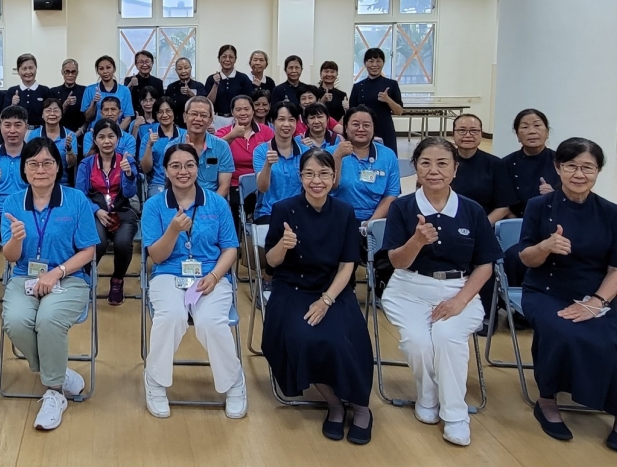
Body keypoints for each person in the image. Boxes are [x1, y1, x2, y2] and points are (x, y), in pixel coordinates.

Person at [517, 137, 617, 452]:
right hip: (545, 289)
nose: (579, 174)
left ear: (598, 171)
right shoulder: (539, 206)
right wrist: (545, 246)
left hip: (595, 294)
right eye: (571, 166)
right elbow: (526, 258)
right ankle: (547, 400)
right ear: (558, 168)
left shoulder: (613, 213)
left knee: (610, 338)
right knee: (560, 330)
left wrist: (595, 303)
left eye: (588, 167)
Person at [380, 136, 498, 447]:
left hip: (460, 289)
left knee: (446, 337)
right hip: (409, 289)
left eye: (442, 163)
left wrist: (459, 301)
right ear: (415, 168)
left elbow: (485, 265)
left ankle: (456, 415)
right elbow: (397, 262)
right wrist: (417, 241)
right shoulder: (402, 207)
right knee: (418, 342)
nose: (434, 170)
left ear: (455, 169)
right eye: (426, 163)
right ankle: (428, 395)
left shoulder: (472, 210)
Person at [263, 150, 374, 444]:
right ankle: (334, 404)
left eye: (324, 174)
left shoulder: (344, 212)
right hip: (292, 288)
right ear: (300, 177)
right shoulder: (283, 209)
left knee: (344, 340)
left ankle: (361, 407)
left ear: (334, 177)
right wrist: (283, 245)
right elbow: (271, 263)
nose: (317, 180)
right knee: (303, 338)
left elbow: (348, 264)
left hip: (332, 288)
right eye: (309, 174)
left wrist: (326, 300)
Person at [141, 142, 247, 418]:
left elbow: (230, 249)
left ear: (198, 168)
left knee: (211, 321)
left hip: (210, 274)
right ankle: (155, 381)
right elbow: (156, 256)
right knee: (171, 317)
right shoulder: (154, 206)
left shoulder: (217, 203)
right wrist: (173, 230)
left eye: (189, 165)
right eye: (175, 166)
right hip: (168, 274)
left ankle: (234, 382)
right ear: (166, 170)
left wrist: (214, 276)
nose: (183, 171)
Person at [1, 138, 100, 431]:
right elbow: (10, 257)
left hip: (69, 277)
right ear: (24, 169)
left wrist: (56, 273)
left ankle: (54, 392)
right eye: (33, 164)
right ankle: (56, 370)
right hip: (24, 276)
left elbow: (89, 251)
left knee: (48, 319)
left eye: (47, 163)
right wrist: (15, 239)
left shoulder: (76, 200)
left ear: (58, 167)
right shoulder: (12, 202)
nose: (40, 170)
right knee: (16, 320)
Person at [77, 118, 139, 306]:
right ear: (95, 140)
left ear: (118, 139)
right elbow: (80, 195)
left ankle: (117, 280)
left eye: (111, 136)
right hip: (95, 213)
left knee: (123, 243)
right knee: (98, 243)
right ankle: (85, 277)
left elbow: (130, 193)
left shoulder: (126, 161)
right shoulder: (86, 164)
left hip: (122, 211)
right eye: (102, 137)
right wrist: (96, 211)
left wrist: (128, 174)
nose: (107, 141)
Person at [330, 107, 399, 225]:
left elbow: (391, 194)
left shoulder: (388, 155)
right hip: (337, 219)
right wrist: (337, 157)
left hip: (375, 219)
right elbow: (328, 187)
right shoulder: (330, 153)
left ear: (373, 128)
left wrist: (371, 223)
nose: (361, 129)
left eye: (366, 125)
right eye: (355, 124)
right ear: (345, 127)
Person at [449, 113, 515, 223]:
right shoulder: (444, 162)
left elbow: (503, 207)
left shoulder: (496, 164)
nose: (468, 135)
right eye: (462, 130)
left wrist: (482, 226)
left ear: (481, 134)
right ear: (453, 134)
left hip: (484, 223)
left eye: (474, 131)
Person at [253, 101, 308, 219]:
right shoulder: (261, 150)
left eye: (291, 120)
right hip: (269, 212)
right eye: (281, 119)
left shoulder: (306, 152)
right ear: (273, 121)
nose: (286, 124)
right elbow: (262, 188)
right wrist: (268, 165)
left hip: (300, 212)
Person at [504, 108, 560, 216]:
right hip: (514, 221)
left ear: (547, 133)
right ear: (517, 135)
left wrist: (554, 195)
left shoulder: (562, 162)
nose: (532, 131)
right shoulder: (506, 164)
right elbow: (501, 202)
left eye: (537, 125)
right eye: (525, 127)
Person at [348, 49, 403, 152]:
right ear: (365, 63)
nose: (374, 65)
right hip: (363, 131)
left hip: (385, 130)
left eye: (378, 61)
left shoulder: (392, 84)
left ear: (383, 63)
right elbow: (351, 113)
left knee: (387, 157)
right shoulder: (358, 87)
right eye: (371, 61)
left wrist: (387, 99)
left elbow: (399, 111)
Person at [181, 96, 235, 199]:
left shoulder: (222, 146)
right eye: (194, 114)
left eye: (203, 115)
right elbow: (171, 183)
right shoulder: (173, 147)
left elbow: (224, 186)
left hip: (213, 200)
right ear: (185, 117)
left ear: (210, 121)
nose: (198, 119)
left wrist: (210, 205)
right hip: (181, 201)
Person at [217, 94, 273, 181]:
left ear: (253, 111)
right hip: (233, 182)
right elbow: (214, 150)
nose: (243, 113)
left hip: (262, 181)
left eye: (247, 109)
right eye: (238, 110)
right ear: (232, 112)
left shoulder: (266, 131)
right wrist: (232, 135)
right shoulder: (223, 132)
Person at [26, 94, 77, 185]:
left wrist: (69, 149)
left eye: (56, 110)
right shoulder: (34, 134)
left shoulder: (70, 135)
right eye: (48, 110)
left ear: (61, 114)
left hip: (63, 183)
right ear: (42, 115)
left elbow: (72, 164)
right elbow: (29, 160)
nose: (52, 114)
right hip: (38, 181)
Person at [140, 96, 184, 191]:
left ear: (174, 112)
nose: (164, 115)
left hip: (182, 180)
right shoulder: (148, 137)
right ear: (156, 114)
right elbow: (145, 169)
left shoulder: (185, 135)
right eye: (160, 112)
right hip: (158, 184)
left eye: (168, 111)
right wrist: (149, 145)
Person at [77, 94, 138, 159]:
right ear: (101, 113)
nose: (109, 113)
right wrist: (94, 145)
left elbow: (129, 161)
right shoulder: (90, 136)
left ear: (120, 113)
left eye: (113, 109)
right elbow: (87, 161)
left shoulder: (129, 139)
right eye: (106, 110)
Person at [205, 44, 253, 124]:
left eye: (231, 57)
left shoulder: (243, 78)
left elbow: (248, 101)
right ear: (219, 59)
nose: (227, 59)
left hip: (237, 119)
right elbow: (208, 103)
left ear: (235, 59)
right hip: (216, 119)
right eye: (224, 56)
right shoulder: (211, 79)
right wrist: (215, 85)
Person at [83, 55, 133, 130]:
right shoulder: (89, 90)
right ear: (98, 71)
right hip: (95, 131)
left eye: (108, 67)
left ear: (114, 69)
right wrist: (94, 103)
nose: (105, 71)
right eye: (101, 69)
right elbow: (87, 118)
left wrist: (116, 133)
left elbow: (128, 117)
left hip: (117, 132)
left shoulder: (124, 90)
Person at [8, 53, 51, 127]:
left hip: (40, 130)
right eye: (24, 69)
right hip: (18, 130)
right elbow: (5, 117)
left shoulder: (45, 91)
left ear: (36, 69)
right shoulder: (11, 91)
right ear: (18, 71)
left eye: (31, 68)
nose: (28, 72)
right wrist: (13, 105)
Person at [164, 56, 206, 126]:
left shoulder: (199, 86)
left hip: (195, 122)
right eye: (180, 69)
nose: (183, 71)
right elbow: (167, 107)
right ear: (176, 70)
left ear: (191, 68)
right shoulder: (171, 87)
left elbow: (204, 105)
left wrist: (190, 94)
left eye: (186, 68)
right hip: (175, 123)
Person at [50, 59, 86, 134]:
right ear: (62, 72)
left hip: (80, 132)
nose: (70, 75)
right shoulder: (53, 92)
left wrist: (78, 133)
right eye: (67, 71)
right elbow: (51, 115)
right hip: (59, 132)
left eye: (73, 72)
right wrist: (65, 104)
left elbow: (88, 117)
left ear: (77, 73)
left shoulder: (84, 90)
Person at [317, 61, 349, 125]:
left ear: (337, 75)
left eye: (332, 72)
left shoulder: (342, 95)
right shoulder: (314, 92)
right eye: (326, 71)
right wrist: (322, 101)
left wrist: (348, 109)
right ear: (320, 74)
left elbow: (345, 116)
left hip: (337, 128)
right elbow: (310, 112)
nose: (329, 74)